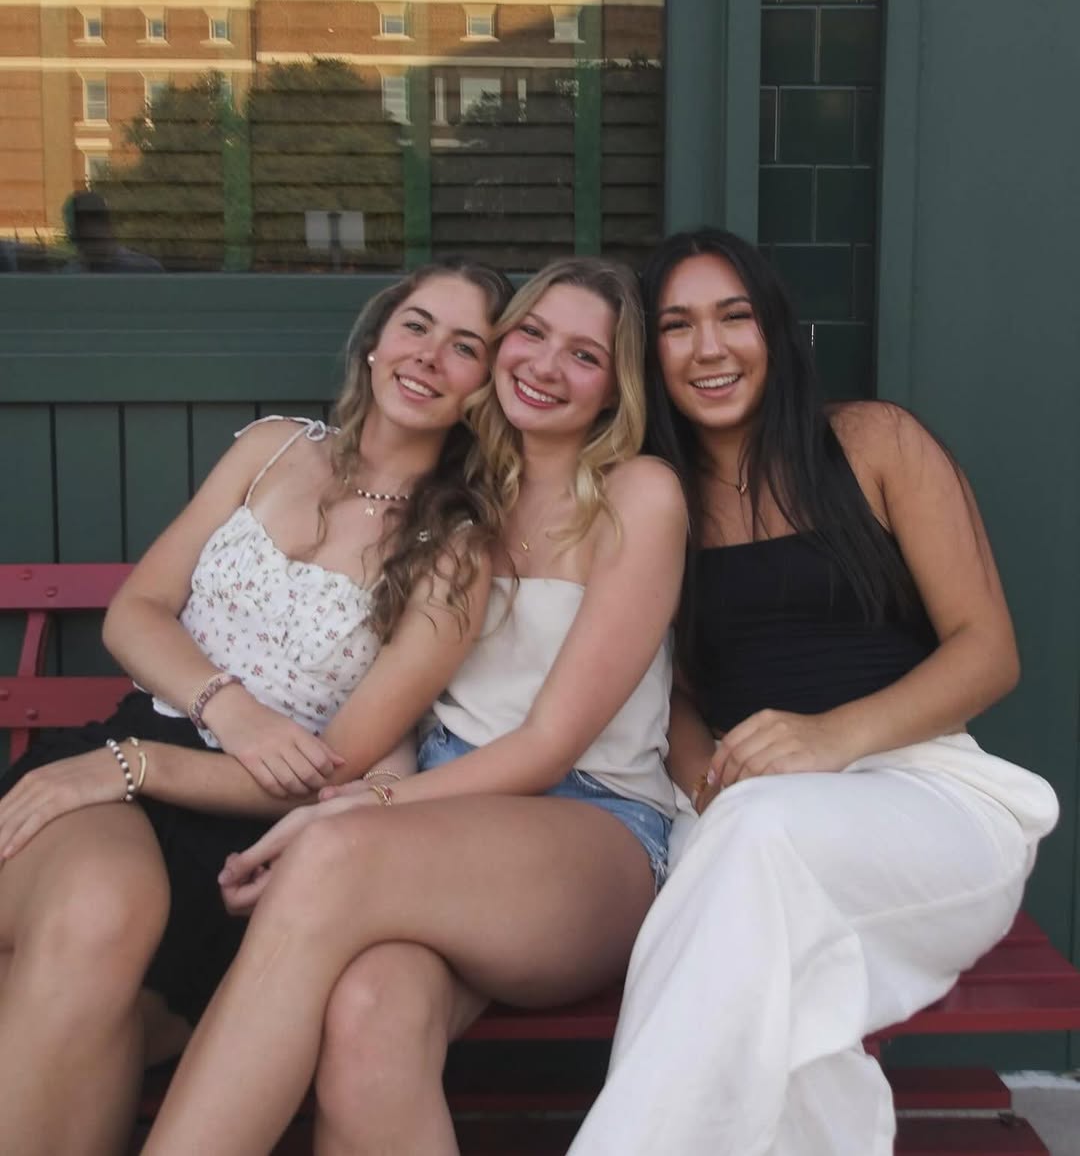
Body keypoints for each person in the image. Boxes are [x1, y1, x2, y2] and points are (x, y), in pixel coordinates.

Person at [140, 257, 687, 1156]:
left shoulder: (640, 495)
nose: (547, 366)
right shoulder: (459, 500)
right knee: (367, 1020)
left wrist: (358, 807)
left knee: (332, 857)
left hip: (591, 825)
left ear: (615, 390)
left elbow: (550, 744)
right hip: (439, 821)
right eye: (532, 334)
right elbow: (402, 695)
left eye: (585, 356)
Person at [0, 259, 513, 1156]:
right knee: (98, 908)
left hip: (248, 830)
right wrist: (223, 709)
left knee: (90, 1011)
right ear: (376, 340)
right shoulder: (273, 447)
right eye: (416, 325)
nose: (430, 356)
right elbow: (136, 610)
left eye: (465, 346)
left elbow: (333, 769)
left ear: (484, 390)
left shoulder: (456, 553)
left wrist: (137, 767)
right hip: (125, 760)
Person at [565, 229, 1059, 1156]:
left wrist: (832, 738)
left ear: (775, 329)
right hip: (750, 812)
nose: (709, 348)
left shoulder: (874, 442)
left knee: (752, 858)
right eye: (677, 326)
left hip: (930, 800)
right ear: (649, 354)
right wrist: (708, 784)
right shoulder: (653, 497)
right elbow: (669, 688)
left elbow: (988, 653)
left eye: (734, 317)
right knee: (783, 992)